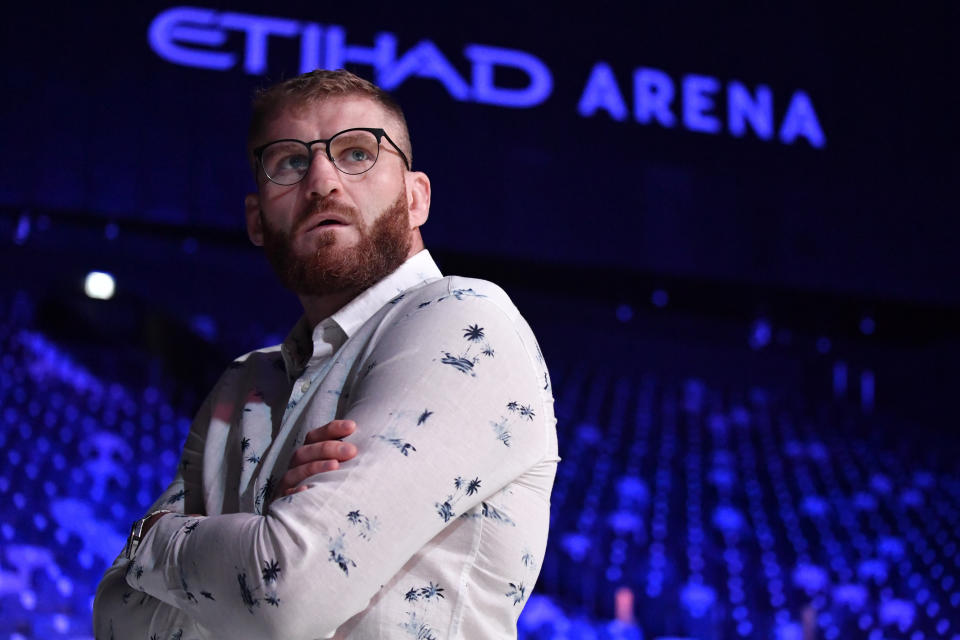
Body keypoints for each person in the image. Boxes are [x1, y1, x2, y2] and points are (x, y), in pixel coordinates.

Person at [93, 69, 558, 639]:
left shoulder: (464, 316)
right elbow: (117, 621)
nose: (321, 181)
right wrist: (261, 534)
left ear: (416, 198)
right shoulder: (243, 385)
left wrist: (151, 537)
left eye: (357, 153)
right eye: (289, 161)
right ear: (256, 220)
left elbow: (288, 593)